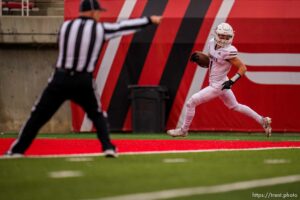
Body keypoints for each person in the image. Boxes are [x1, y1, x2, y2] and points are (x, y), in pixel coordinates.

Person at [5, 0, 162, 158]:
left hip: (60, 77)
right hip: (82, 79)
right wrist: (149, 20)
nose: (100, 15)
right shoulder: (99, 29)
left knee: (38, 115)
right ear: (93, 12)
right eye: (98, 12)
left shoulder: (65, 27)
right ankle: (108, 147)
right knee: (97, 114)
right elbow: (123, 27)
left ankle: (17, 150)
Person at [167, 22, 272, 138]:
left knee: (191, 102)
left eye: (227, 37)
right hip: (220, 82)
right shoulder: (212, 43)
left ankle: (183, 130)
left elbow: (243, 68)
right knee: (235, 106)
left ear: (231, 36)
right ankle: (263, 120)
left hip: (219, 85)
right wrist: (203, 59)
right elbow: (212, 60)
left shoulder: (228, 51)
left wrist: (231, 81)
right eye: (222, 36)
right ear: (216, 34)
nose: (224, 39)